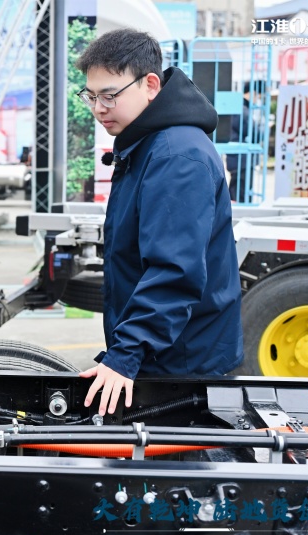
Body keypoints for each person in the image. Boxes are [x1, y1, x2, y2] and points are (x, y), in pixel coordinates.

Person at [74, 29, 243, 416]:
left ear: (150, 85)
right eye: (91, 96)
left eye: (110, 96)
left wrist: (126, 354)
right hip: (171, 350)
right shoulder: (149, 142)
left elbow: (173, 272)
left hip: (183, 362)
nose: (99, 108)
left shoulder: (174, 155)